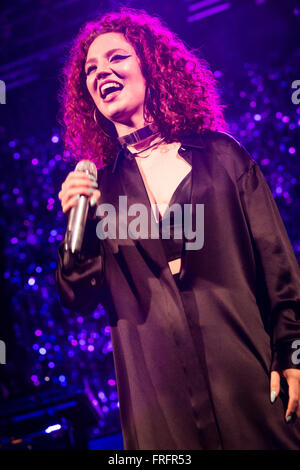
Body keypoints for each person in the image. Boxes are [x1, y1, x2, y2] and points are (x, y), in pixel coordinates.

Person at [56, 8, 300, 450]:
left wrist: (294, 354)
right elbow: (78, 298)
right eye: (91, 68)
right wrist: (80, 225)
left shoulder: (221, 157)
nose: (102, 72)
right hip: (160, 406)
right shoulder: (102, 189)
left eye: (117, 58)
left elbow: (279, 271)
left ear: (150, 65)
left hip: (247, 383)